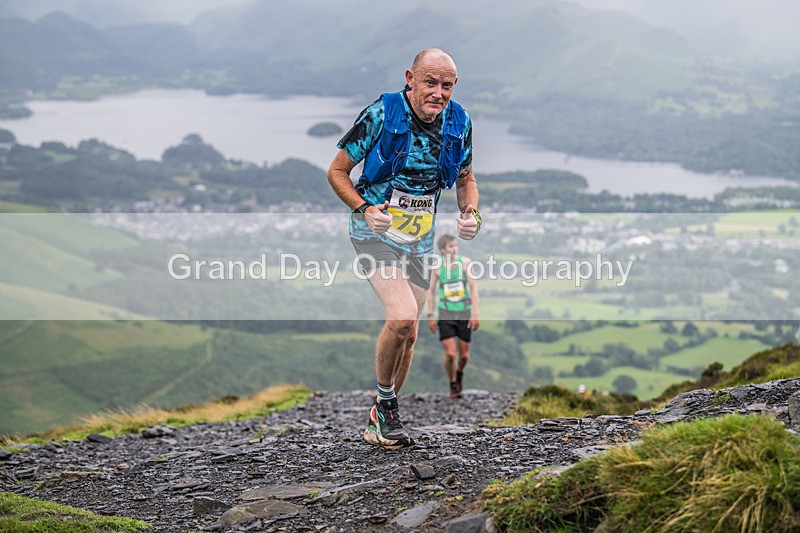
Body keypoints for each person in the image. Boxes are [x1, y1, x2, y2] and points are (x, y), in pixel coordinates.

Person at [327, 48, 481, 449]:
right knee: (400, 318)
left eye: (447, 85)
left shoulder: (460, 121)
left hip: (420, 243)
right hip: (375, 235)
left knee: (409, 334)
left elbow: (466, 178)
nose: (439, 92)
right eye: (430, 82)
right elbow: (337, 170)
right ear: (410, 78)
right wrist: (363, 208)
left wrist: (471, 213)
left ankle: (385, 411)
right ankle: (384, 404)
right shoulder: (381, 113)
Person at [426, 234, 479, 398]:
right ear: (443, 250)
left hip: (463, 312)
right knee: (450, 354)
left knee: (463, 356)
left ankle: (460, 372)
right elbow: (431, 292)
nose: (455, 248)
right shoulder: (436, 267)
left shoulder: (465, 263)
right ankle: (452, 382)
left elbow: (473, 289)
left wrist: (475, 313)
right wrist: (430, 315)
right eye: (451, 246)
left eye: (456, 245)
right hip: (445, 313)